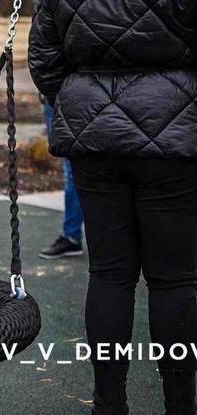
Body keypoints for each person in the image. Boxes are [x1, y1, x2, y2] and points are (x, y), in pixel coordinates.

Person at [30, 1, 197, 413]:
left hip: (95, 137)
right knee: (174, 279)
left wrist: (90, 101)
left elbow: (44, 58)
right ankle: (180, 404)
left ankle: (108, 403)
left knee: (108, 274)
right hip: (174, 131)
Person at [38, 97, 84, 260]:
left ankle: (73, 235)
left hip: (73, 96)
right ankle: (72, 235)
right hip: (56, 96)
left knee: (74, 169)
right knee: (70, 168)